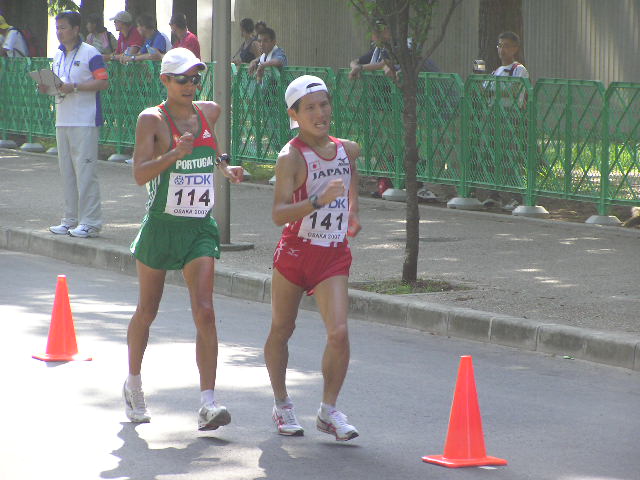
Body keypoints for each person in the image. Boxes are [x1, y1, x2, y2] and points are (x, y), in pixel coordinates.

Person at [123, 47, 244, 430]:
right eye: (182, 79)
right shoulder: (152, 119)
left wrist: (225, 167)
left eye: (195, 78)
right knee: (147, 310)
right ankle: (133, 383)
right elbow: (139, 174)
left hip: (198, 227)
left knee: (205, 310)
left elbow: (213, 150)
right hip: (161, 226)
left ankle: (208, 403)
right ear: (165, 80)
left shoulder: (208, 112)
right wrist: (174, 154)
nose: (190, 85)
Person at [265, 75, 362, 441]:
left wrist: (353, 211)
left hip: (332, 255)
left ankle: (328, 410)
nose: (320, 114)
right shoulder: (290, 157)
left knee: (339, 333)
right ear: (294, 114)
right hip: (296, 252)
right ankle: (281, 404)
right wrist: (318, 201)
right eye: (310, 108)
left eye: (324, 105)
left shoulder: (346, 149)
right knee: (282, 329)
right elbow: (278, 213)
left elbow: (352, 174)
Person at [37, 11, 108, 238]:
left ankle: (91, 223)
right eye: (57, 28)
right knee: (66, 172)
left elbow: (103, 81)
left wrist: (75, 87)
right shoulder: (58, 55)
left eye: (63, 27)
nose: (59, 32)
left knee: (85, 172)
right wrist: (46, 87)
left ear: (76, 29)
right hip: (63, 119)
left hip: (85, 121)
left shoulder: (91, 53)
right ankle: (69, 220)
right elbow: (58, 85)